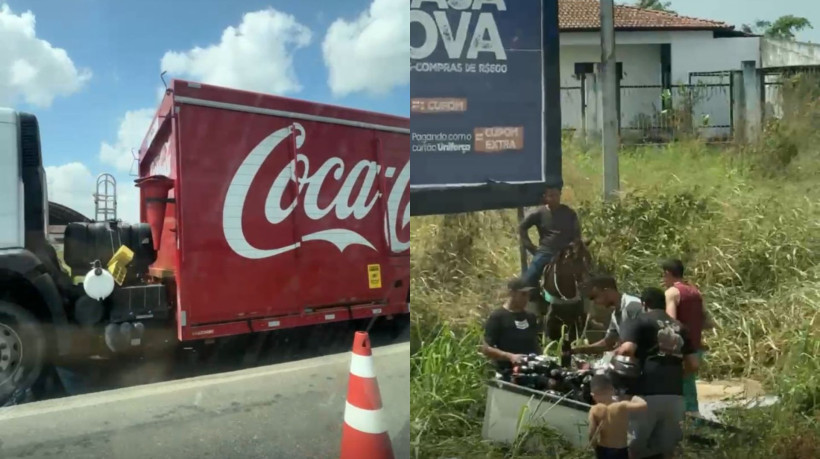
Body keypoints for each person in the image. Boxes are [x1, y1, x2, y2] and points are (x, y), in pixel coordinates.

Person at [616, 287, 699, 459]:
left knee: (634, 449)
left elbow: (627, 350)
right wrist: (680, 376)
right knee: (667, 451)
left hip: (645, 395)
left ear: (644, 304)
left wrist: (614, 358)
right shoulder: (680, 327)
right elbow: (693, 363)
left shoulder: (640, 321)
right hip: (675, 395)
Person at [661, 259, 713, 415]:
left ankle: (681, 420)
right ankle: (694, 417)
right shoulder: (695, 292)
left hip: (680, 349)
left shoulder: (671, 293)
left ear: (668, 273)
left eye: (663, 275)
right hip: (695, 347)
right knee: (689, 385)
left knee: (677, 387)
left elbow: (671, 322)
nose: (663, 279)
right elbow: (707, 322)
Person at [519, 185, 582, 288]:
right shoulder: (539, 212)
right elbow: (522, 227)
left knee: (585, 273)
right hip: (546, 251)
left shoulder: (569, 212)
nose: (554, 198)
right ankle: (531, 295)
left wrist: (574, 245)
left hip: (567, 252)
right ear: (545, 197)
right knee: (528, 279)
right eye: (551, 196)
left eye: (557, 195)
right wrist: (529, 246)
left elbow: (577, 232)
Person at [570, 275, 643, 356]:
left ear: (607, 290)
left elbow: (633, 345)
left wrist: (610, 356)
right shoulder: (615, 314)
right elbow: (608, 343)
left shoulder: (632, 306)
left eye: (595, 297)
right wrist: (577, 350)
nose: (595, 302)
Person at [481, 277, 541, 372]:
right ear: (511, 293)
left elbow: (535, 344)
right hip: (507, 371)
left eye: (528, 295)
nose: (527, 299)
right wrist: (510, 357)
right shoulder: (498, 317)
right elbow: (486, 349)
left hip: (531, 369)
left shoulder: (530, 317)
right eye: (523, 294)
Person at [588, 374, 648, 459]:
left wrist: (594, 447)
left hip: (603, 449)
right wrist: (634, 397)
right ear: (612, 390)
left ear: (593, 395)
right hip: (620, 449)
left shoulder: (594, 409)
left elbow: (591, 432)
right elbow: (643, 405)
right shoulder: (621, 406)